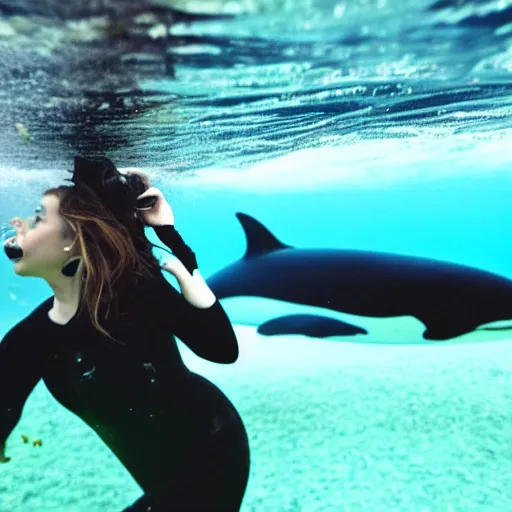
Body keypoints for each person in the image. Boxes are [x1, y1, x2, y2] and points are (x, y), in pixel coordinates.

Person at [0, 155, 250, 511]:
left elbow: (223, 349)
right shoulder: (32, 338)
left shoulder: (137, 292)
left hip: (213, 449)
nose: (16, 223)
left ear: (73, 241)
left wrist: (171, 238)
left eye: (38, 218)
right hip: (156, 472)